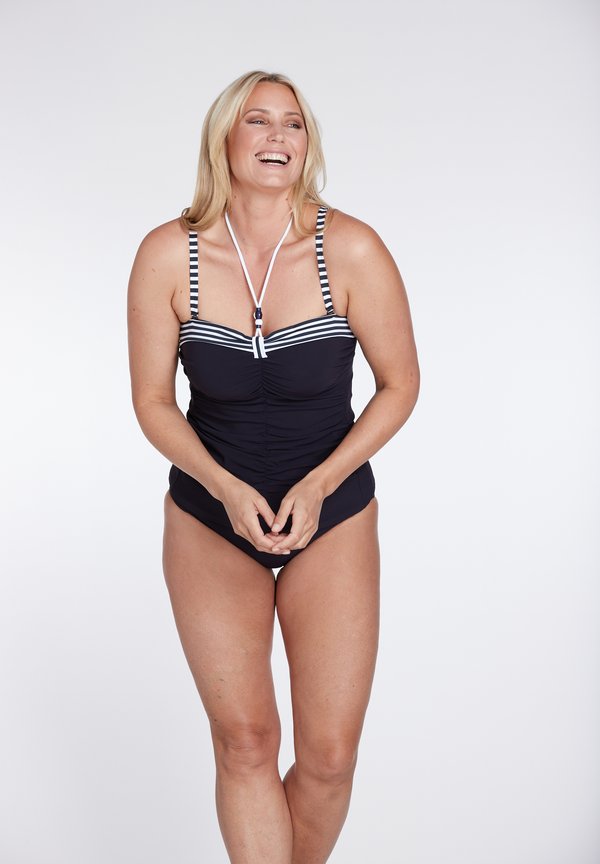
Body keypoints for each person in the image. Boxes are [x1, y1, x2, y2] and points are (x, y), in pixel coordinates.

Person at [127, 69, 420, 864]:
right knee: (247, 740)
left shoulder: (350, 247)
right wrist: (224, 488)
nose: (278, 137)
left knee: (328, 758)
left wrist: (320, 485)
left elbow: (400, 384)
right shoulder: (169, 254)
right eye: (258, 121)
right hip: (210, 514)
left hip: (333, 510)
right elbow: (152, 402)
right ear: (224, 138)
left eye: (293, 124)